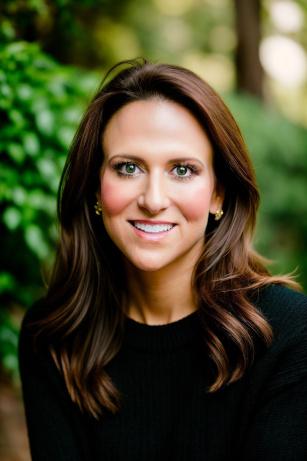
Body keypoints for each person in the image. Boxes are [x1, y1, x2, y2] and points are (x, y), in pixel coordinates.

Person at [19, 59, 307, 461]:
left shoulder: (289, 334)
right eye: (128, 167)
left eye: (183, 170)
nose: (153, 200)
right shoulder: (53, 337)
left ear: (218, 194)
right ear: (97, 190)